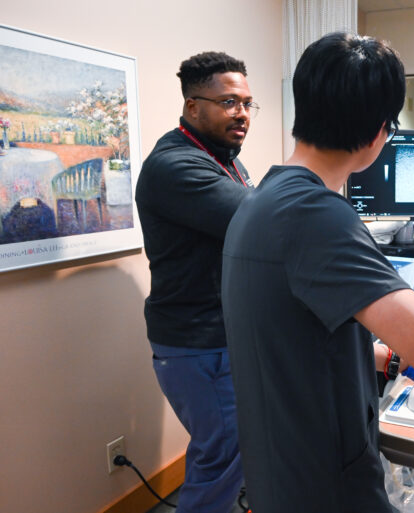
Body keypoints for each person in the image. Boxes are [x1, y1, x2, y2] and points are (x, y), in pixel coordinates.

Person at [221, 32, 414, 513]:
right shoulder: (318, 215)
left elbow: (297, 334)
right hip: (324, 480)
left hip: (282, 463)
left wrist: (388, 360)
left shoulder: (262, 199)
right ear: (380, 134)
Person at [135, 52, 257, 513]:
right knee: (224, 450)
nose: (242, 114)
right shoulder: (176, 166)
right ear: (193, 107)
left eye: (247, 103)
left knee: (224, 449)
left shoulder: (225, 159)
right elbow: (259, 220)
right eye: (229, 102)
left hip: (223, 333)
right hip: (197, 341)